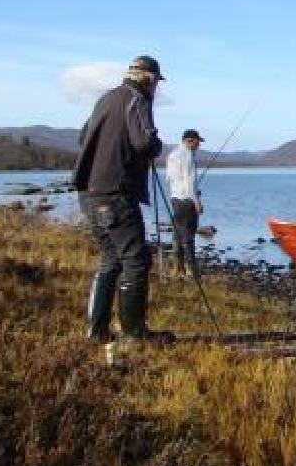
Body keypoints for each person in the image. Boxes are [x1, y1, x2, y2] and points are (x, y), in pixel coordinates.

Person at [73, 55, 172, 344]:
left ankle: (96, 332)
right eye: (156, 83)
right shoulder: (136, 99)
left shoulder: (105, 98)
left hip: (88, 191)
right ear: (149, 79)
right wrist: (156, 145)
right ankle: (134, 334)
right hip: (114, 193)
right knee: (136, 260)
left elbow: (83, 138)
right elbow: (143, 142)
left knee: (111, 259)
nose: (156, 89)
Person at [166, 128, 204, 277]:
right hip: (187, 201)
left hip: (175, 199)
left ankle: (177, 268)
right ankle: (190, 271)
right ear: (190, 141)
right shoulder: (188, 156)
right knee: (188, 236)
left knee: (177, 234)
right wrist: (197, 201)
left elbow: (170, 179)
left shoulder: (172, 155)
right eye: (197, 142)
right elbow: (189, 183)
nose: (198, 145)